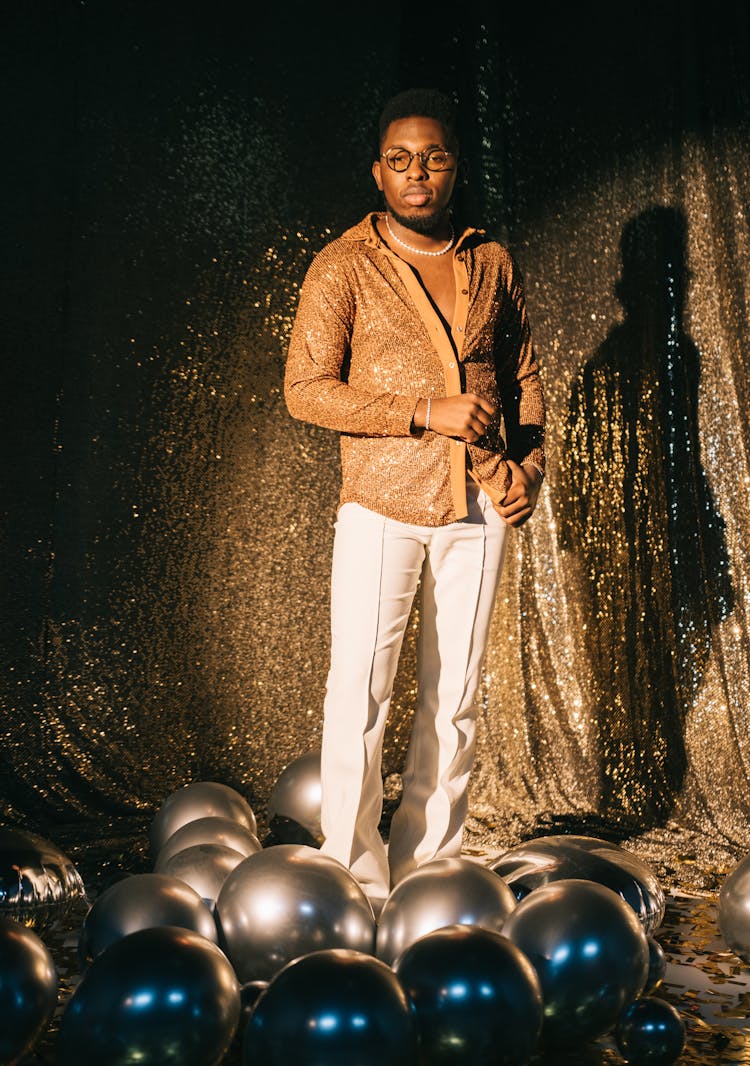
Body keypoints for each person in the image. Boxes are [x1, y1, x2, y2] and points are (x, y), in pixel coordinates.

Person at [284, 87, 545, 913]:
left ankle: (431, 870)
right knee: (359, 689)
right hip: (382, 502)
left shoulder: (491, 260)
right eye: (401, 160)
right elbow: (304, 391)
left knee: (456, 695)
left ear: (455, 167)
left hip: (478, 502)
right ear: (378, 172)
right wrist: (420, 412)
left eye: (434, 157)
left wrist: (528, 466)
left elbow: (524, 373)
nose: (418, 173)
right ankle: (354, 875)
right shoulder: (342, 265)